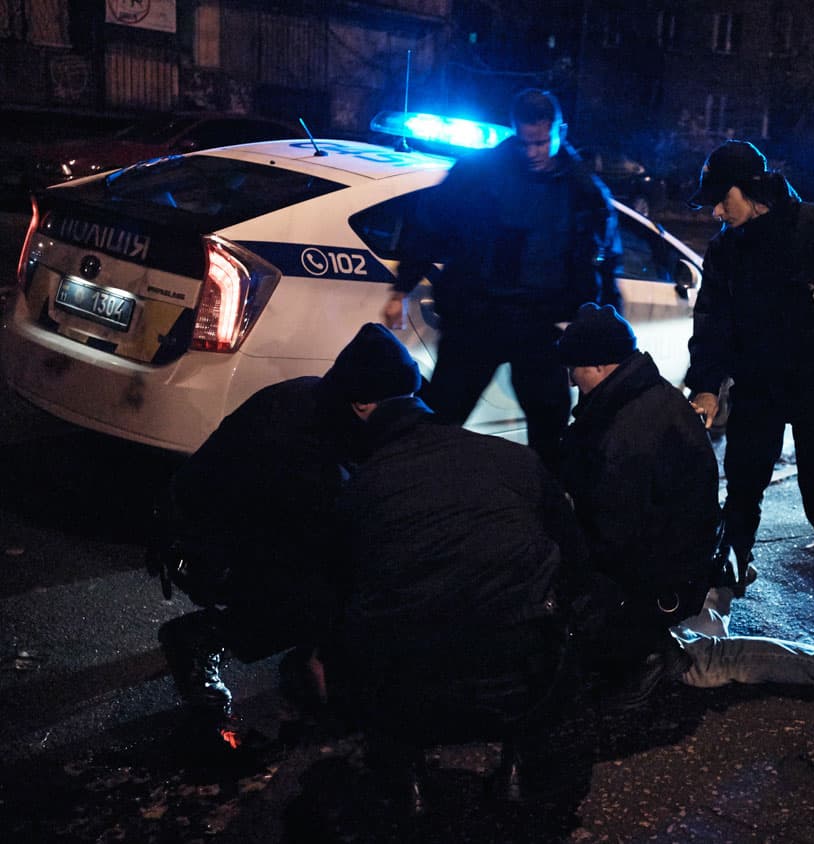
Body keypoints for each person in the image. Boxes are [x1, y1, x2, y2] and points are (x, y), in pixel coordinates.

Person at [556, 304, 814, 707]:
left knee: (704, 663)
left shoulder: (625, 434)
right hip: (697, 564)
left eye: (576, 368)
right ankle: (724, 583)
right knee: (694, 618)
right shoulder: (648, 398)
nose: (571, 379)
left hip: (673, 581)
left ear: (602, 364)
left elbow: (616, 539)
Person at [328, 337, 591, 812]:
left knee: (350, 632)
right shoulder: (511, 459)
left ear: (363, 408)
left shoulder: (361, 487)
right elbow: (574, 560)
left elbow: (339, 593)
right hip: (524, 674)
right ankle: (521, 759)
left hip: (412, 683)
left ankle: (404, 776)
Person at [151, 322, 423, 759]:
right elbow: (321, 541)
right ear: (363, 404)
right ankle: (203, 637)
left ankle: (306, 654)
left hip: (239, 527)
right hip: (200, 545)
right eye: (400, 404)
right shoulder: (302, 448)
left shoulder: (322, 401)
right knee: (328, 592)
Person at [683, 140, 814, 673]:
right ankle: (713, 615)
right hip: (757, 393)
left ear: (752, 191)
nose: (714, 212)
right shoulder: (725, 250)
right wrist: (707, 385)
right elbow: (711, 324)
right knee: (741, 502)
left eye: (720, 199)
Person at [382, 87, 621, 470]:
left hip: (541, 325)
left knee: (551, 427)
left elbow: (604, 259)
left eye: (542, 142)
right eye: (526, 142)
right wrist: (401, 288)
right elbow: (430, 225)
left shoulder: (582, 190)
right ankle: (417, 486)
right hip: (478, 317)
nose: (533, 153)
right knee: (442, 415)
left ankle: (547, 504)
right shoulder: (479, 175)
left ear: (560, 130)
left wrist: (608, 332)